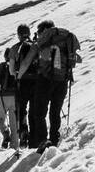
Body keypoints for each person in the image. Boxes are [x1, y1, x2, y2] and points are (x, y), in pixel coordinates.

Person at [28, 20, 81, 152]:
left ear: (43, 31)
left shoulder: (45, 40)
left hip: (45, 79)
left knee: (39, 112)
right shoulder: (66, 38)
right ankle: (54, 140)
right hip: (62, 80)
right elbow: (78, 59)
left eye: (39, 33)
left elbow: (28, 60)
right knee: (55, 111)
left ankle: (43, 141)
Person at [10, 25, 37, 148]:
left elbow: (11, 70)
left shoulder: (16, 48)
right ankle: (35, 136)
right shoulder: (36, 44)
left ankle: (23, 133)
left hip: (22, 82)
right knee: (35, 108)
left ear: (18, 34)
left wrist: (17, 75)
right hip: (37, 81)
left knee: (21, 108)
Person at [0, 49, 20, 152]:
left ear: (5, 57)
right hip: (15, 97)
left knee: (0, 118)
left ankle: (5, 133)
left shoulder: (2, 65)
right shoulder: (17, 65)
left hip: (3, 97)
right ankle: (14, 146)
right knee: (14, 122)